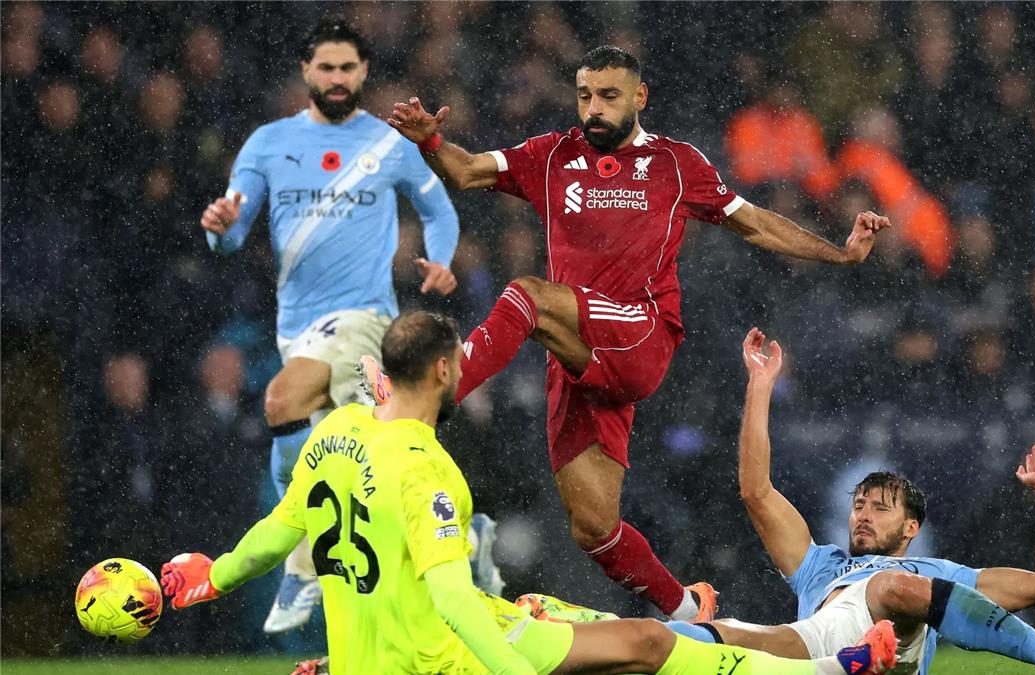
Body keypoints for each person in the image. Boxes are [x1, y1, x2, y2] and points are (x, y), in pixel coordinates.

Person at [384, 44, 890, 622]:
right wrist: (429, 140)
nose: (593, 109)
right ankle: (688, 609)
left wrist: (839, 254)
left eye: (608, 96)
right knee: (594, 528)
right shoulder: (551, 156)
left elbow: (754, 223)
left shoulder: (675, 163)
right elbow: (466, 169)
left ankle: (429, 396)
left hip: (640, 334)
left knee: (526, 295)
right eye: (584, 96)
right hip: (577, 355)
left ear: (639, 97)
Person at [160, 311, 898, 675]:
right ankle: (831, 670)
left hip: (376, 658)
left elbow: (274, 533)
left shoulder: (335, 432)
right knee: (643, 644)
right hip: (444, 661)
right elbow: (453, 601)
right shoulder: (426, 469)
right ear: (444, 371)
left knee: (563, 616)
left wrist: (210, 576)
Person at [664, 329, 1035, 675]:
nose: (863, 515)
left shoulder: (941, 576)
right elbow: (756, 491)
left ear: (912, 528)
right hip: (817, 656)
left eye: (880, 507)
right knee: (667, 639)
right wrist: (760, 386)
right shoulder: (818, 566)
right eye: (859, 505)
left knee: (893, 587)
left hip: (895, 652)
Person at [198, 18, 460, 633]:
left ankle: (304, 560)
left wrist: (442, 260)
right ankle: (453, 552)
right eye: (327, 67)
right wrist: (219, 229)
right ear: (306, 72)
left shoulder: (389, 144)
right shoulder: (268, 143)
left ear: (363, 72)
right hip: (297, 327)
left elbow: (439, 210)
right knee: (367, 460)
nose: (337, 78)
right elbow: (232, 233)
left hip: (365, 319)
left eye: (348, 68)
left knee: (282, 400)